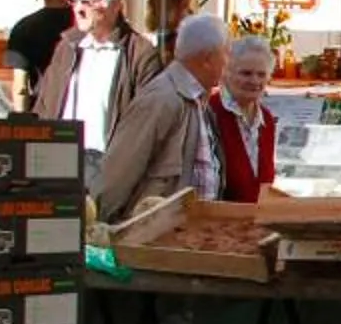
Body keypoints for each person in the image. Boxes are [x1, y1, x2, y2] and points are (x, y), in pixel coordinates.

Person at [35, 0, 165, 197]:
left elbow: (149, 125)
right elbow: (45, 104)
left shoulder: (139, 54)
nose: (78, 9)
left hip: (110, 171)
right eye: (73, 1)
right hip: (59, 164)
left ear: (115, 6)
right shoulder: (67, 47)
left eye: (87, 2)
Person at [97, 16, 230, 222]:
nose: (228, 61)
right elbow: (119, 171)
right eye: (225, 53)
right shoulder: (162, 99)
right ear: (207, 59)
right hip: (153, 236)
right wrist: (102, 230)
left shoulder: (196, 99)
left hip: (183, 236)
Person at [212, 35, 281, 202]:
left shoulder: (267, 120)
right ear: (225, 73)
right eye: (246, 73)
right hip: (218, 220)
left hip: (256, 222)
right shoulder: (210, 112)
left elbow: (265, 183)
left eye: (261, 74)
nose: (254, 81)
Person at [4, 0, 76, 109]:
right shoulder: (81, 21)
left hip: (43, 110)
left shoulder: (23, 28)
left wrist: (22, 120)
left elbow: (20, 84)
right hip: (80, 108)